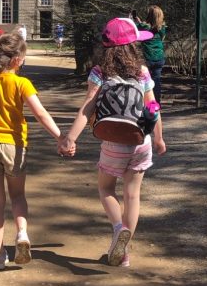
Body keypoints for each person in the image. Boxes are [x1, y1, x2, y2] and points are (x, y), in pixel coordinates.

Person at [59, 17, 166, 268]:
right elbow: (154, 107)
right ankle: (125, 252)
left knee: (106, 189)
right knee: (132, 194)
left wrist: (70, 138)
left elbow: (87, 108)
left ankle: (118, 229)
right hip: (140, 140)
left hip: (113, 142)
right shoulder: (142, 72)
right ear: (133, 46)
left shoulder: (99, 73)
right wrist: (159, 138)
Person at [0, 31, 64, 270]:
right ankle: (22, 234)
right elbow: (40, 114)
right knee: (17, 196)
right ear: (17, 59)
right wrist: (61, 137)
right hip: (14, 146)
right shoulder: (21, 83)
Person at [132, 5, 167, 105]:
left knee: (144, 82)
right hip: (159, 58)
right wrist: (140, 22)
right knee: (156, 82)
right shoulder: (163, 28)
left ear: (149, 15)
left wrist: (135, 21)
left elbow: (136, 29)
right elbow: (153, 30)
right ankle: (156, 105)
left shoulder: (143, 26)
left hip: (147, 59)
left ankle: (144, 105)